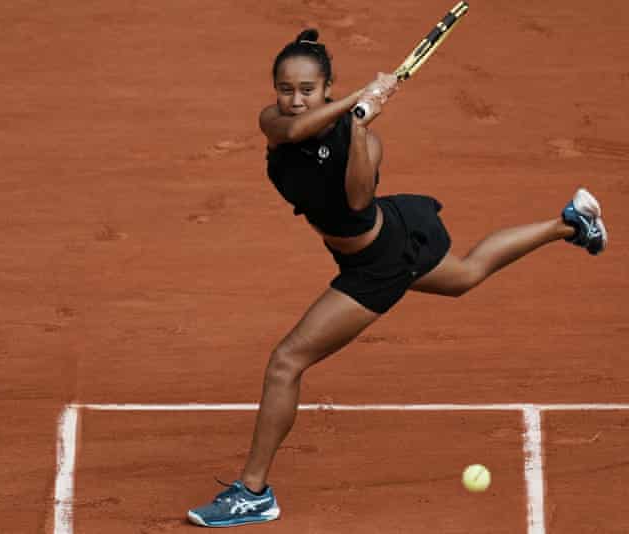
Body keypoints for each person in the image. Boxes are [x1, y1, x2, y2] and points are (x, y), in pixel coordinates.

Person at [186, 29, 607, 528]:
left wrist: (360, 128)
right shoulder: (275, 122)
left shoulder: (363, 140)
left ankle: (254, 493)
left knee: (286, 363)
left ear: (324, 87)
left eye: (307, 90)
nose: (294, 100)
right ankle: (569, 223)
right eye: (286, 88)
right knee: (465, 274)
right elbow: (293, 133)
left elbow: (358, 201)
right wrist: (354, 100)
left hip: (376, 264)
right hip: (379, 244)